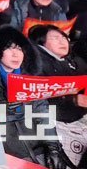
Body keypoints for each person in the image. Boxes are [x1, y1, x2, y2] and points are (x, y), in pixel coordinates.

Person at [0, 26, 65, 168]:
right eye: (9, 48)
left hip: (31, 134)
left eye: (19, 49)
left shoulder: (29, 72)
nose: (16, 54)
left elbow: (42, 110)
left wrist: (53, 146)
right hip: (2, 137)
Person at [30, 24, 87, 167]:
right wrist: (73, 100)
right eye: (55, 38)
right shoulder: (35, 65)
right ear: (41, 43)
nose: (63, 41)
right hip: (58, 124)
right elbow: (36, 102)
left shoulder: (75, 62)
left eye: (64, 37)